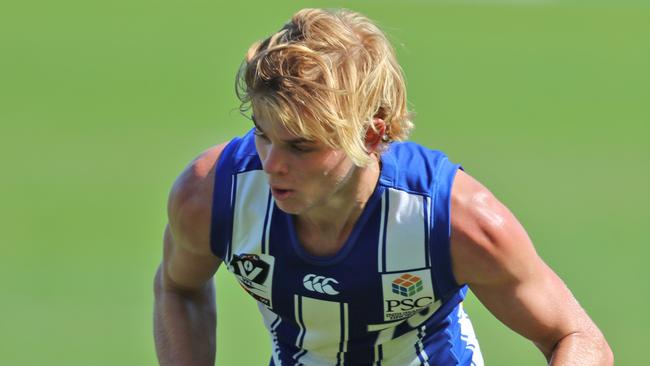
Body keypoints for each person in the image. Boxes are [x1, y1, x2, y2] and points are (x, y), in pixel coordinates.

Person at [153, 8, 613, 366]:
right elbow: (178, 288)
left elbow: (577, 338)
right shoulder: (212, 194)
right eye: (263, 133)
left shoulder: (455, 220)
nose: (272, 165)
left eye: (301, 146)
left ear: (372, 137)